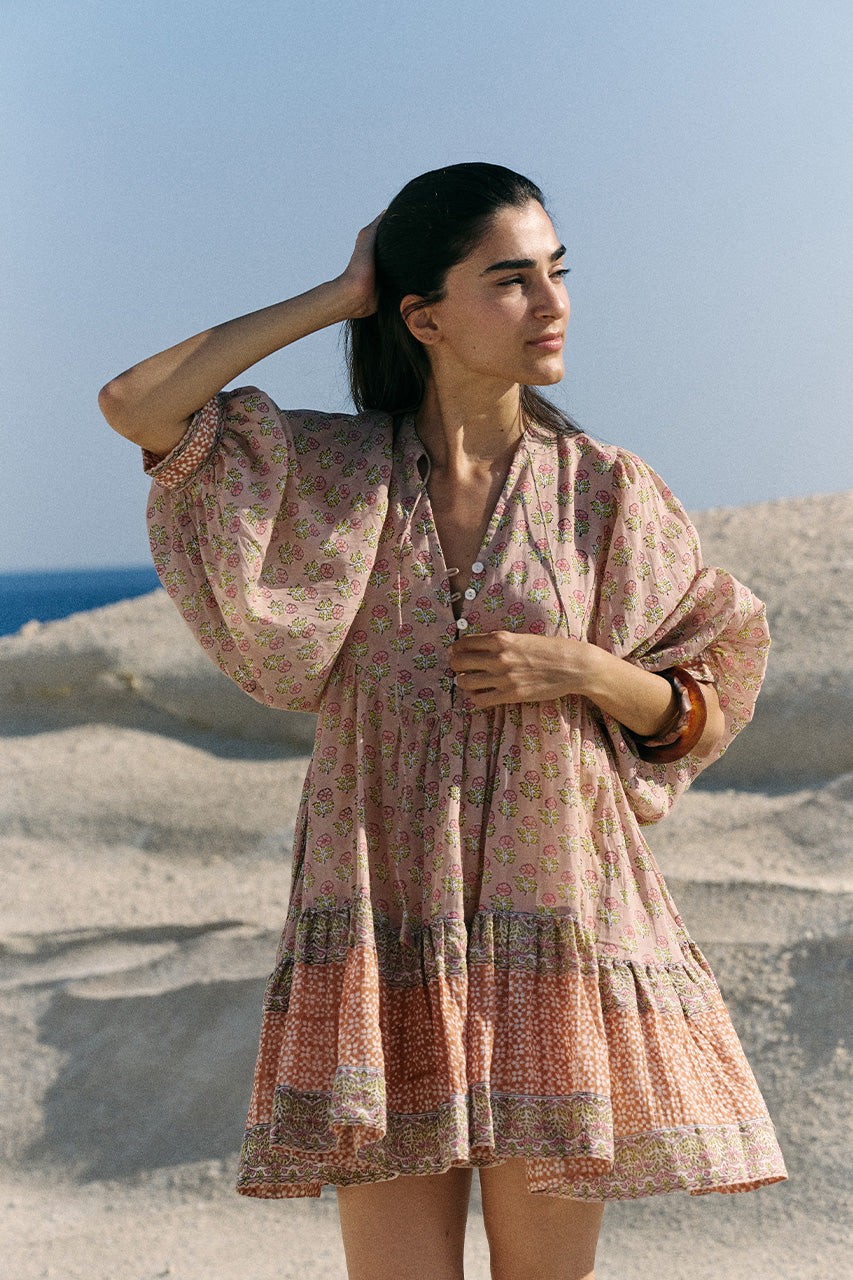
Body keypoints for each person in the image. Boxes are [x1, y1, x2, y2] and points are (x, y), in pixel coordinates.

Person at [99, 163, 786, 1280]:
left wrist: (585, 670)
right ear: (422, 314)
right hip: (384, 932)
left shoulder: (607, 493)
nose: (553, 303)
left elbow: (706, 689)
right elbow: (138, 405)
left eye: (557, 272)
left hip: (550, 934)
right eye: (510, 280)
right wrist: (339, 293)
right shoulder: (327, 473)